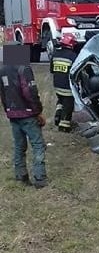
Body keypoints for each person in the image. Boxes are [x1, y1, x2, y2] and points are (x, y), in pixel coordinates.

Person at [0, 44, 48, 188]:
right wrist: (38, 111)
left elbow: (2, 93)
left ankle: (20, 175)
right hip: (27, 114)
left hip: (12, 113)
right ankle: (40, 178)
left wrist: (8, 110)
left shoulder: (2, 69)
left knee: (19, 146)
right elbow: (29, 92)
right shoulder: (24, 68)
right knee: (38, 145)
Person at [50, 33, 78, 133]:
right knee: (68, 105)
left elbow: (52, 70)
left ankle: (58, 115)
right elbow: (76, 72)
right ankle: (64, 125)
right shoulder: (73, 56)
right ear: (71, 44)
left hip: (57, 85)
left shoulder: (55, 54)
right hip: (67, 88)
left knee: (61, 100)